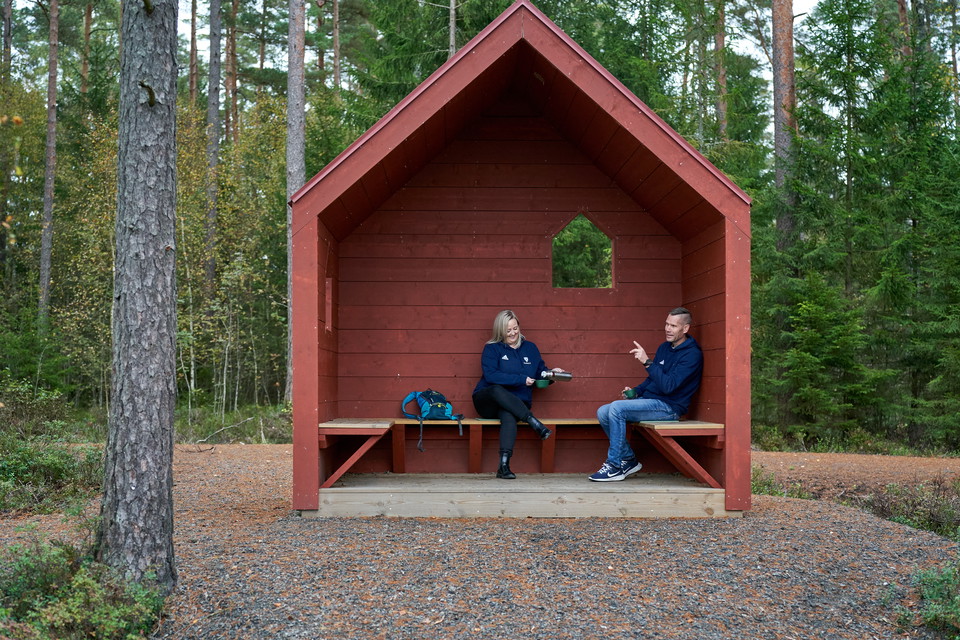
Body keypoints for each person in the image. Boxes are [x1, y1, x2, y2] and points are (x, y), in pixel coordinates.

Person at [589, 307, 703, 482]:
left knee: (617, 408)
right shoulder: (664, 348)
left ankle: (614, 466)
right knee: (603, 411)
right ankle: (628, 459)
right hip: (651, 401)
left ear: (685, 328)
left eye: (673, 326)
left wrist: (647, 362)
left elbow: (669, 387)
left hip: (669, 408)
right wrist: (636, 392)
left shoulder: (692, 355)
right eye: (667, 324)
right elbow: (653, 379)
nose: (668, 329)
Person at [472, 310, 562, 479]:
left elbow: (540, 373)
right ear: (500, 331)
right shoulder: (492, 348)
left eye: (515, 328)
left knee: (509, 415)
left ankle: (503, 466)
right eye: (508, 330)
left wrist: (552, 375)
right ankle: (533, 421)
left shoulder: (530, 348)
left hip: (516, 404)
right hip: (488, 401)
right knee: (496, 389)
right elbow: (491, 376)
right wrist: (521, 379)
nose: (513, 333)